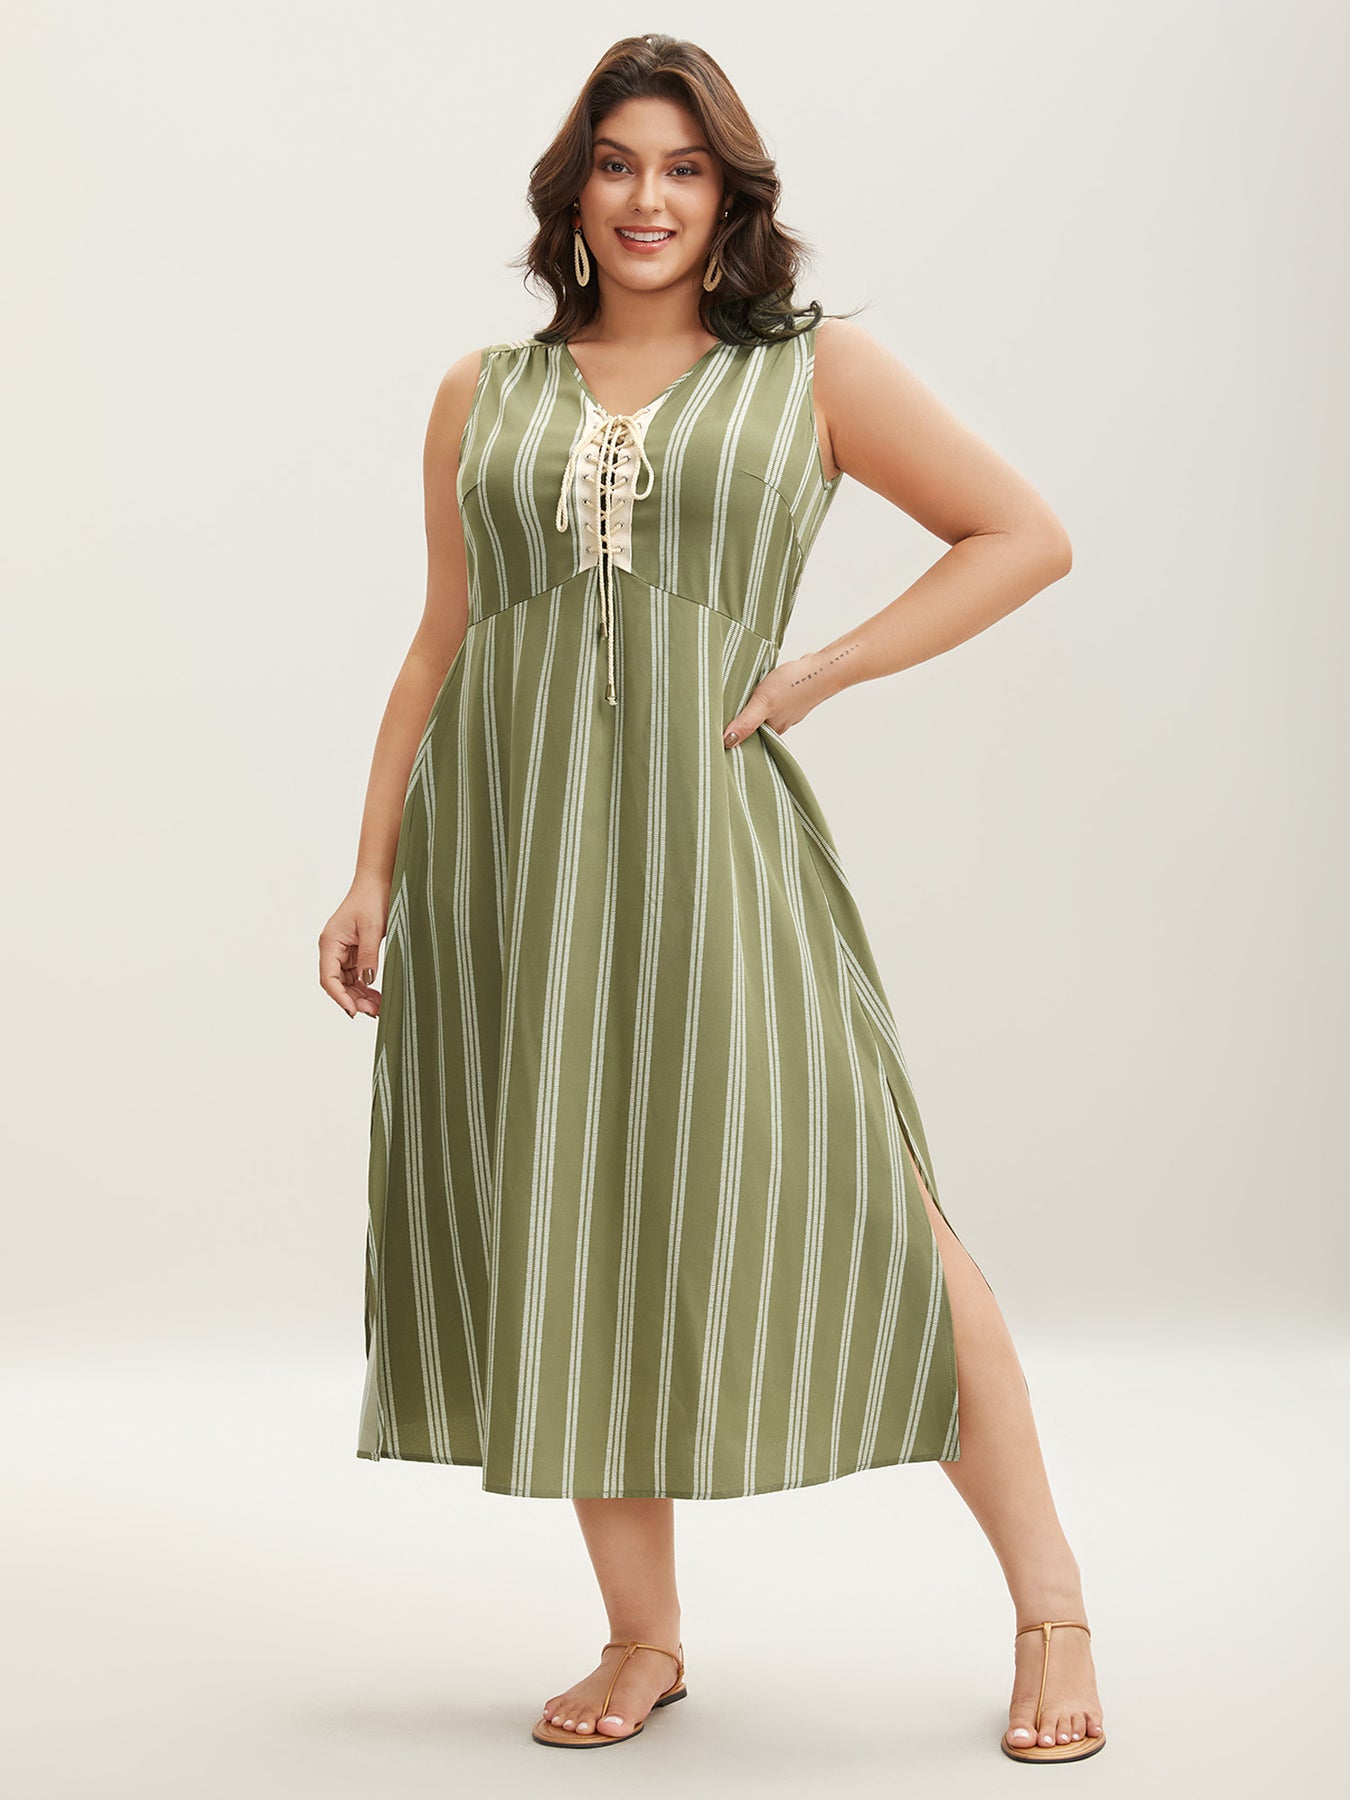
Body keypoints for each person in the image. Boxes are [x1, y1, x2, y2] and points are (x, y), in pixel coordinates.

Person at [318, 32, 1105, 1765]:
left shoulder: (812, 371)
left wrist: (818, 669)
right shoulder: (479, 392)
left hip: (711, 842)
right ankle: (642, 1635)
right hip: (509, 853)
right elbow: (442, 640)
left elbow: (1019, 535)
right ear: (572, 191)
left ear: (728, 194)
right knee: (570, 1206)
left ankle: (1050, 1605)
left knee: (880, 1206)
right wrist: (373, 864)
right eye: (616, 163)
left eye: (682, 167)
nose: (647, 197)